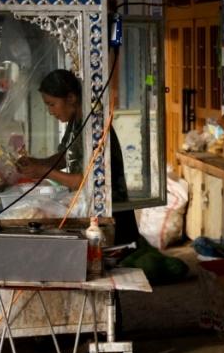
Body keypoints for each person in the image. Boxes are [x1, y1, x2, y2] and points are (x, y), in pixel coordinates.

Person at [16, 69, 138, 244]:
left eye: (52, 104)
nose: (50, 111)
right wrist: (36, 163)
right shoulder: (76, 122)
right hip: (87, 208)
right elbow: (66, 155)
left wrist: (45, 170)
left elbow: (85, 181)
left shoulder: (93, 127)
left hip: (111, 214)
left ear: (71, 98)